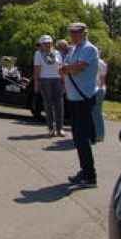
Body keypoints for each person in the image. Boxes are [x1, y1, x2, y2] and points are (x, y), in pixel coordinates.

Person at [59, 22, 100, 188]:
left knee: (82, 139)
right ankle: (85, 171)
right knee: (77, 138)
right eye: (71, 33)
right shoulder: (74, 49)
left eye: (76, 33)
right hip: (74, 98)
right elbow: (65, 68)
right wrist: (66, 69)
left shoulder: (89, 49)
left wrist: (67, 68)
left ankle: (90, 176)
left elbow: (78, 68)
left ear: (84, 33)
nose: (73, 36)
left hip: (83, 99)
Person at [33, 35, 65, 138]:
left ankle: (60, 129)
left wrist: (64, 81)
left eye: (49, 42)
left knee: (59, 105)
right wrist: (36, 84)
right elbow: (37, 69)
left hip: (57, 79)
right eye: (45, 43)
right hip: (45, 80)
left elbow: (61, 67)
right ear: (41, 44)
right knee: (48, 105)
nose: (47, 44)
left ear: (52, 43)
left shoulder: (57, 53)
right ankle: (51, 128)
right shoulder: (38, 54)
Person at [94, 56, 108, 142]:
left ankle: (99, 135)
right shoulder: (102, 63)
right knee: (98, 113)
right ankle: (99, 134)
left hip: (97, 89)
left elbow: (102, 79)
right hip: (100, 89)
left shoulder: (98, 63)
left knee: (96, 113)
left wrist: (99, 89)